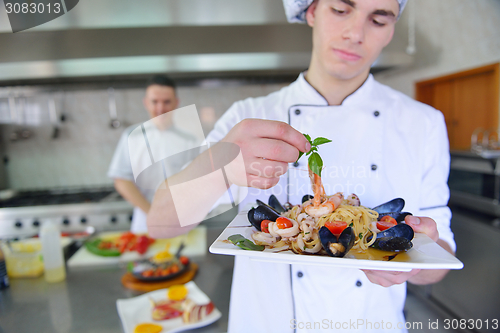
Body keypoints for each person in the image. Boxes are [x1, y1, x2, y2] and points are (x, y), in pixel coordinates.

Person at [147, 0, 456, 332]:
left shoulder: (423, 123)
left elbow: (442, 259)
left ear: (392, 29)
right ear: (311, 11)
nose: (355, 33)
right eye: (340, 10)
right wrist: (219, 166)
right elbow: (160, 225)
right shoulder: (248, 117)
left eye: (378, 20)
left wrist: (416, 263)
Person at [108, 75, 197, 233]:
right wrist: (153, 214)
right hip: (145, 221)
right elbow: (121, 180)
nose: (160, 108)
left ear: (176, 103)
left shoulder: (191, 139)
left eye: (167, 102)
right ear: (146, 102)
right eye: (155, 101)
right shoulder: (132, 136)